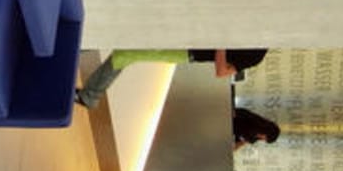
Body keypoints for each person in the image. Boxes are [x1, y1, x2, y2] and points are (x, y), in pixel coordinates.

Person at [75, 49, 268, 109]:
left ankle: (90, 96)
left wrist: (222, 44)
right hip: (183, 31)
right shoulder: (246, 20)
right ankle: (89, 94)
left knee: (125, 54)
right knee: (125, 49)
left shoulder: (256, 55)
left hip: (187, 51)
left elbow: (221, 71)